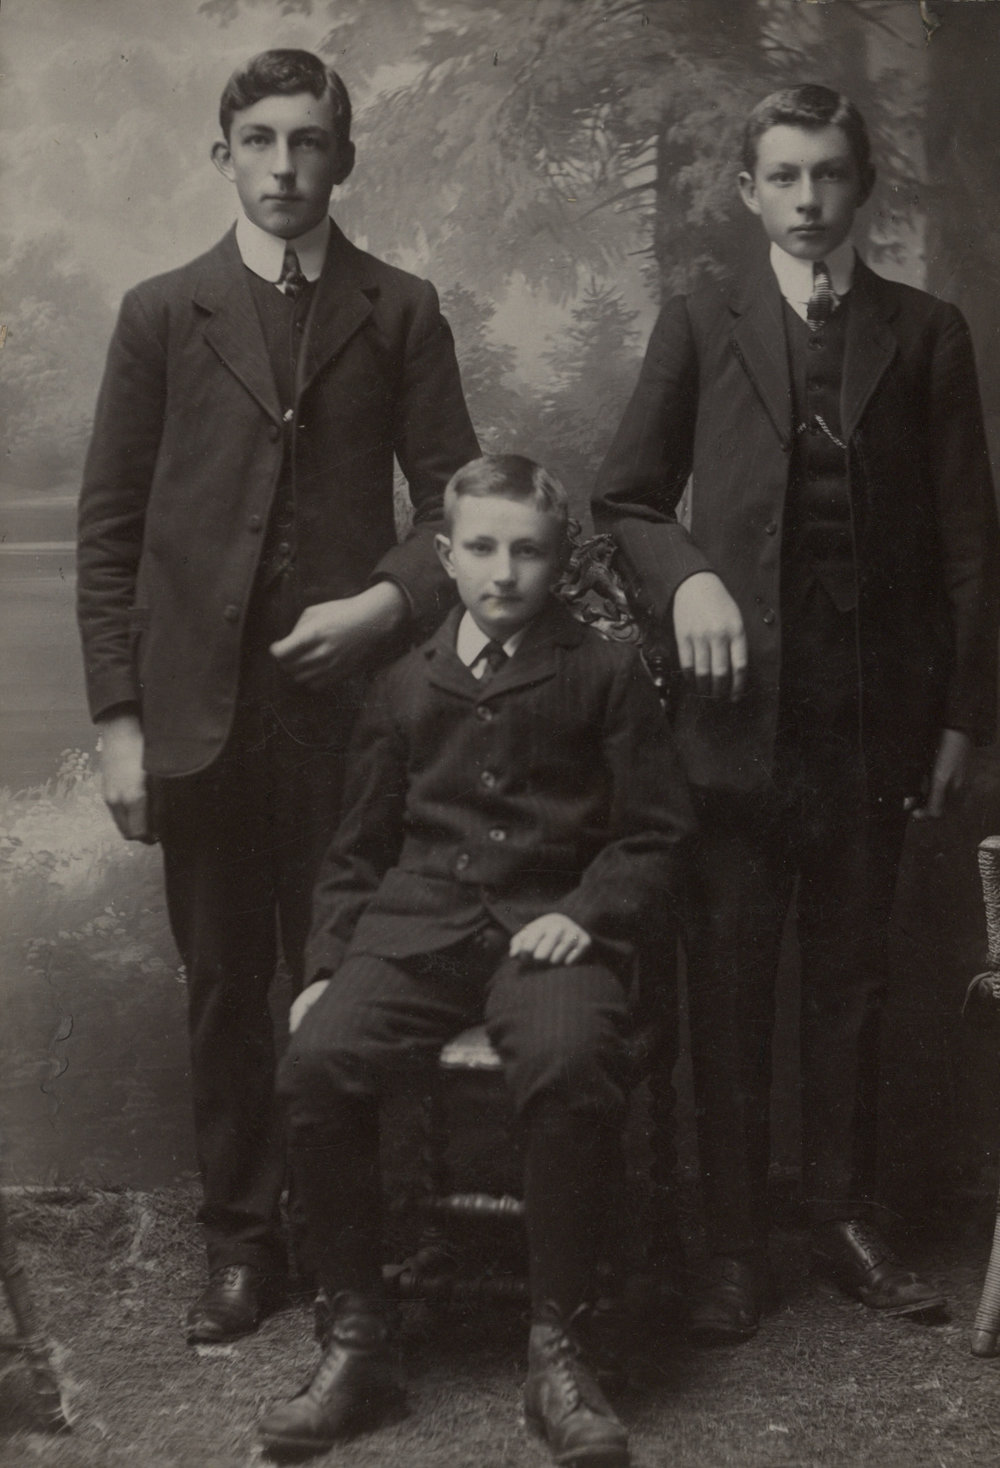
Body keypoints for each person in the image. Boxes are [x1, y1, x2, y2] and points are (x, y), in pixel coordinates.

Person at [76, 48, 479, 1344]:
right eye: (259, 141)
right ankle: (242, 1244)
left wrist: (384, 607)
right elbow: (109, 531)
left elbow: (459, 510)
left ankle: (347, 1240)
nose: (285, 167)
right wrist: (121, 723)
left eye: (310, 142)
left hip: (353, 720)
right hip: (202, 715)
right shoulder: (161, 314)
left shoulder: (400, 309)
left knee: (346, 977)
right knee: (222, 984)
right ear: (223, 154)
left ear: (344, 157)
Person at [593, 84, 1000, 1345]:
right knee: (727, 982)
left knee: (852, 978)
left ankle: (840, 1212)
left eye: (829, 175)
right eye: (785, 177)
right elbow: (625, 500)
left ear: (858, 183)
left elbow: (969, 549)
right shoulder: (701, 320)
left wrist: (958, 723)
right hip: (728, 728)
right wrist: (693, 577)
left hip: (871, 728)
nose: (810, 201)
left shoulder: (924, 334)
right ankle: (726, 1243)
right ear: (750, 192)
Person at [259, 454, 694, 1465]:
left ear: (558, 560)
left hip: (551, 926)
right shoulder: (403, 682)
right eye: (484, 548)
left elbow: (658, 834)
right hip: (415, 927)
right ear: (446, 556)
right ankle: (359, 1336)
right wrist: (324, 966)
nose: (505, 572)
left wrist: (588, 912)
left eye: (529, 551)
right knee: (319, 1061)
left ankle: (558, 1342)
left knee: (572, 1060)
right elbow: (359, 848)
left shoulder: (602, 671)